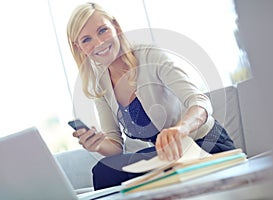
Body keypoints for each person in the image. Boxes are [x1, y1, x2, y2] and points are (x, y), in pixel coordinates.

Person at [67, 2, 235, 190]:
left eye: (102, 30)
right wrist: (97, 144)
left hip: (204, 143)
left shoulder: (149, 55)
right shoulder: (100, 85)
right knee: (103, 170)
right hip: (167, 155)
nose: (99, 43)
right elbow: (115, 146)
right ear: (79, 48)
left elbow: (199, 101)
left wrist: (181, 129)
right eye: (86, 39)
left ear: (116, 27)